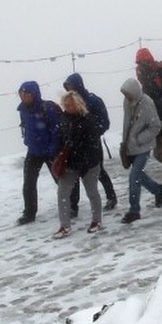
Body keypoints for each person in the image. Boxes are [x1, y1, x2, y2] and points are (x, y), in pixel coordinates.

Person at [63, 73, 117, 210]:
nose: (70, 90)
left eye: (71, 86)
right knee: (74, 173)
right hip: (75, 145)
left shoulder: (93, 101)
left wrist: (91, 133)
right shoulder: (70, 103)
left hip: (92, 144)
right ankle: (73, 206)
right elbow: (66, 121)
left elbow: (105, 122)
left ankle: (111, 197)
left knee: (98, 171)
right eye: (67, 87)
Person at [53, 92, 104, 238]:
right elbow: (59, 140)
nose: (68, 107)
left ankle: (96, 220)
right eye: (66, 105)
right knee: (62, 193)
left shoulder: (88, 120)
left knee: (92, 191)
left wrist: (85, 161)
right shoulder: (63, 120)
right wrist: (58, 155)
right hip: (70, 163)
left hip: (89, 164)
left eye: (71, 104)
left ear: (78, 104)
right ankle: (64, 225)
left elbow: (93, 144)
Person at [16, 81, 62, 225]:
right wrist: (28, 142)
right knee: (29, 183)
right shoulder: (23, 110)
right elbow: (26, 127)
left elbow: (55, 129)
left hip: (49, 151)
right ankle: (29, 213)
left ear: (34, 94)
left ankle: (71, 205)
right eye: (21, 93)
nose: (23, 96)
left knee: (60, 180)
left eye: (26, 93)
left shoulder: (47, 108)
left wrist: (53, 148)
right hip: (33, 151)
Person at [119, 78, 162, 223]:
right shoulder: (127, 102)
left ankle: (134, 210)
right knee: (138, 176)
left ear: (134, 91)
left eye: (127, 93)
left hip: (143, 147)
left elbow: (156, 126)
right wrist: (125, 143)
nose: (126, 96)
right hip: (130, 147)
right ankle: (157, 190)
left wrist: (139, 139)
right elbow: (127, 124)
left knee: (134, 177)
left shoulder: (147, 103)